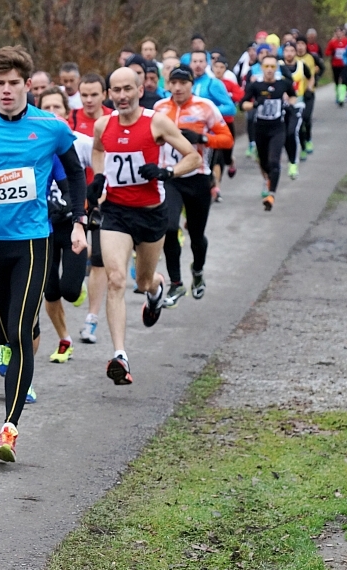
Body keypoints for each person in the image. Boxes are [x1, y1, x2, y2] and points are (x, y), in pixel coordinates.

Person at [0, 46, 87, 462]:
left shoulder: (51, 127)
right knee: (3, 335)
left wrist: (79, 220)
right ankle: (17, 335)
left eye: (14, 84)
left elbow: (75, 173)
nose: (6, 91)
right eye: (0, 84)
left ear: (28, 85)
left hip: (31, 241)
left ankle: (9, 428)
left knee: (21, 333)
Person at [88, 66, 200, 386]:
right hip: (116, 213)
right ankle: (120, 356)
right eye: (116, 90)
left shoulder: (157, 122)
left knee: (144, 281)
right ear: (109, 94)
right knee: (116, 278)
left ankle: (156, 290)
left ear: (140, 90)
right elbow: (98, 150)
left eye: (128, 89)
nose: (122, 96)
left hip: (151, 214)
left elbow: (192, 157)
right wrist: (98, 177)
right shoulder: (103, 125)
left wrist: (167, 173)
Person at [154, 67, 233, 305]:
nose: (178, 88)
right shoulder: (159, 109)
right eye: (173, 83)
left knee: (197, 235)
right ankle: (176, 283)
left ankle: (197, 272)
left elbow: (227, 138)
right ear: (168, 84)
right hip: (170, 178)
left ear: (191, 84)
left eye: (183, 83)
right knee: (168, 228)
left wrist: (202, 138)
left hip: (198, 177)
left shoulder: (205, 107)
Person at [38, 86, 96, 363]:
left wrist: (87, 207)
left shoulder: (80, 142)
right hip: (42, 228)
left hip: (72, 225)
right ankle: (64, 338)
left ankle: (77, 286)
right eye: (45, 108)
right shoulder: (33, 145)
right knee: (50, 289)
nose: (51, 113)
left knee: (70, 290)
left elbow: (99, 176)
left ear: (67, 111)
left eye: (56, 108)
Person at [68, 72, 112, 345]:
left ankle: (91, 320)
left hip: (104, 197)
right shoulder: (70, 120)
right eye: (84, 95)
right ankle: (76, 285)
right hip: (72, 198)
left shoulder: (113, 120)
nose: (89, 100)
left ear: (104, 95)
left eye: (94, 94)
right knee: (80, 253)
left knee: (98, 259)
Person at [242, 54, 296, 211]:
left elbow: (293, 96)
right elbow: (242, 104)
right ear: (262, 68)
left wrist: (288, 105)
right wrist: (254, 105)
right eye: (267, 67)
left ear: (276, 68)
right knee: (264, 162)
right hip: (260, 129)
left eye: (273, 67)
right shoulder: (255, 86)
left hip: (277, 129)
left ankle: (271, 195)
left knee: (274, 161)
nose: (270, 70)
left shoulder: (283, 84)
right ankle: (267, 179)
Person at [210, 53, 243, 197]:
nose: (218, 70)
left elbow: (240, 96)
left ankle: (232, 161)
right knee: (217, 158)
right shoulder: (209, 84)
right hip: (213, 125)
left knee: (227, 156)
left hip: (227, 124)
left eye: (221, 67)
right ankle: (217, 188)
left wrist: (229, 97)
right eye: (216, 67)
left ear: (225, 69)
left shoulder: (229, 84)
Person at [278, 41, 311, 179]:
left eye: (292, 50)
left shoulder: (301, 65)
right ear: (283, 52)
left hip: (298, 105)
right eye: (287, 51)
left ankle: (293, 163)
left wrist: (308, 89)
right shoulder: (277, 66)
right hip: (281, 106)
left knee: (293, 132)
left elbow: (310, 77)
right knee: (284, 135)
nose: (289, 53)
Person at [188, 50, 236, 118]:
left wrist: (209, 110)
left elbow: (231, 108)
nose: (198, 64)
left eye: (201, 61)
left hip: (208, 125)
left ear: (207, 63)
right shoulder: (186, 83)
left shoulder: (213, 83)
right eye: (195, 61)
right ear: (190, 64)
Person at [326, 26, 347, 106]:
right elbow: (327, 52)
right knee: (337, 81)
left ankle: (342, 97)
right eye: (337, 32)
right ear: (335, 33)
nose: (338, 34)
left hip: (344, 64)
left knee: (344, 80)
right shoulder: (332, 42)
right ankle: (338, 95)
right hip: (335, 64)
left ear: (343, 33)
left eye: (340, 32)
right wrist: (332, 52)